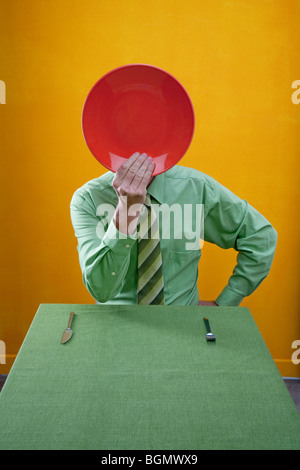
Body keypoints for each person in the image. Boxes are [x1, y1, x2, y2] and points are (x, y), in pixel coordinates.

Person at [70, 152, 277, 306]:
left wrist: (225, 303)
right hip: (116, 327)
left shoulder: (196, 188)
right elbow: (101, 290)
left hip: (184, 328)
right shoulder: (88, 199)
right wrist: (126, 212)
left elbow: (261, 236)